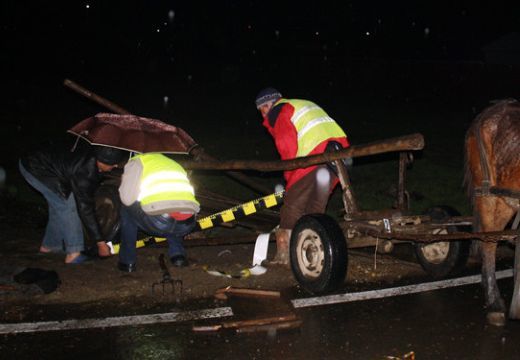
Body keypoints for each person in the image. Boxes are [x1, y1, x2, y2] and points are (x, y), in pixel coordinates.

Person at [255, 87, 350, 265]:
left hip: (312, 155)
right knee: (315, 207)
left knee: (292, 206)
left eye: (262, 110)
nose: (263, 115)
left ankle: (286, 256)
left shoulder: (279, 111)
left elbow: (287, 147)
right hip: (336, 156)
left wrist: (290, 177)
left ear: (267, 105)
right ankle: (313, 255)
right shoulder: (301, 104)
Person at [19, 143, 128, 263]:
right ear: (101, 161)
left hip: (46, 163)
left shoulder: (93, 158)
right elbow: (85, 209)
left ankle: (50, 246)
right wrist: (100, 243)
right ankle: (73, 253)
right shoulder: (84, 171)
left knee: (58, 206)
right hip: (35, 167)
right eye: (113, 164)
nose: (116, 165)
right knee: (69, 206)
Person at [117, 153, 200, 273]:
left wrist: (123, 181)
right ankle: (178, 256)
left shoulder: (136, 162)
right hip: (187, 223)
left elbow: (127, 199)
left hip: (160, 222)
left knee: (126, 208)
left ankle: (127, 261)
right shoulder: (173, 164)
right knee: (173, 206)